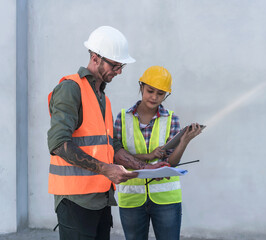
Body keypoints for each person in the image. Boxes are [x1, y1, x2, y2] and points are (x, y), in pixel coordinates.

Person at [47, 26, 167, 240]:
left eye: (121, 66)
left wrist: (148, 168)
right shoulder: (70, 89)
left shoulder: (103, 98)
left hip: (100, 199)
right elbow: (58, 143)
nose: (119, 71)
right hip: (75, 201)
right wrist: (105, 169)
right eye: (115, 65)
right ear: (95, 58)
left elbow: (111, 147)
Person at [114, 66, 203, 240]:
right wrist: (148, 157)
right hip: (131, 197)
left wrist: (184, 141)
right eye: (150, 90)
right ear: (141, 87)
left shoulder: (171, 119)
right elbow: (117, 156)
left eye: (160, 93)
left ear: (166, 95)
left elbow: (172, 162)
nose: (154, 97)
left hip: (166, 199)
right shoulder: (122, 118)